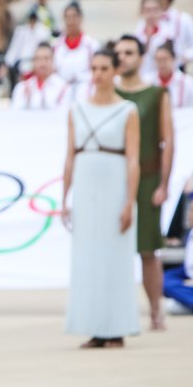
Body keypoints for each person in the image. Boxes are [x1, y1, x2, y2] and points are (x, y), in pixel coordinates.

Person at [63, 49, 140, 348]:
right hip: (85, 183)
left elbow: (133, 158)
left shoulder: (127, 110)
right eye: (94, 68)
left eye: (104, 68)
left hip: (114, 183)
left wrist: (128, 200)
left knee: (114, 256)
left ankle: (116, 326)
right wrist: (65, 197)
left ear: (114, 71)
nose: (98, 74)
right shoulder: (77, 109)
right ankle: (93, 325)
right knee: (87, 256)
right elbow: (69, 155)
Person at [116, 35, 175, 331]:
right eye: (119, 53)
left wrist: (164, 184)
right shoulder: (109, 93)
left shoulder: (156, 94)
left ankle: (155, 310)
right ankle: (115, 308)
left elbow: (167, 140)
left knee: (149, 249)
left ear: (140, 56)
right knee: (113, 247)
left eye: (129, 52)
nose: (123, 57)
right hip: (115, 180)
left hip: (148, 177)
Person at [53, 1, 99, 87]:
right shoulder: (56, 45)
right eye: (67, 17)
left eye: (74, 17)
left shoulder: (91, 44)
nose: (70, 22)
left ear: (81, 18)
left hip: (84, 90)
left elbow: (96, 70)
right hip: (61, 91)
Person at [155, 0, 193, 70]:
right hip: (154, 69)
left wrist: (185, 56)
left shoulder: (184, 19)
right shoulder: (146, 20)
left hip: (177, 68)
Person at [11, 43, 69, 110]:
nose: (42, 63)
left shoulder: (63, 87)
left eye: (46, 59)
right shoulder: (22, 87)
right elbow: (15, 113)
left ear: (53, 61)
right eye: (38, 59)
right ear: (33, 62)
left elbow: (63, 114)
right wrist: (26, 101)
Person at [2, 11, 51, 90]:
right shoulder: (21, 31)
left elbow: (46, 50)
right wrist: (6, 64)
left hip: (39, 66)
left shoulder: (43, 31)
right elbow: (14, 48)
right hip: (23, 67)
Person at [149, 41, 193, 108]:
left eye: (165, 59)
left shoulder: (188, 83)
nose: (162, 64)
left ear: (173, 59)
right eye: (158, 60)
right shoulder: (148, 82)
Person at [135, 0, 175, 79]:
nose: (151, 14)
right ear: (142, 12)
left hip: (159, 78)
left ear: (161, 11)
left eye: (155, 10)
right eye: (148, 10)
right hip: (141, 77)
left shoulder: (169, 35)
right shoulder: (136, 35)